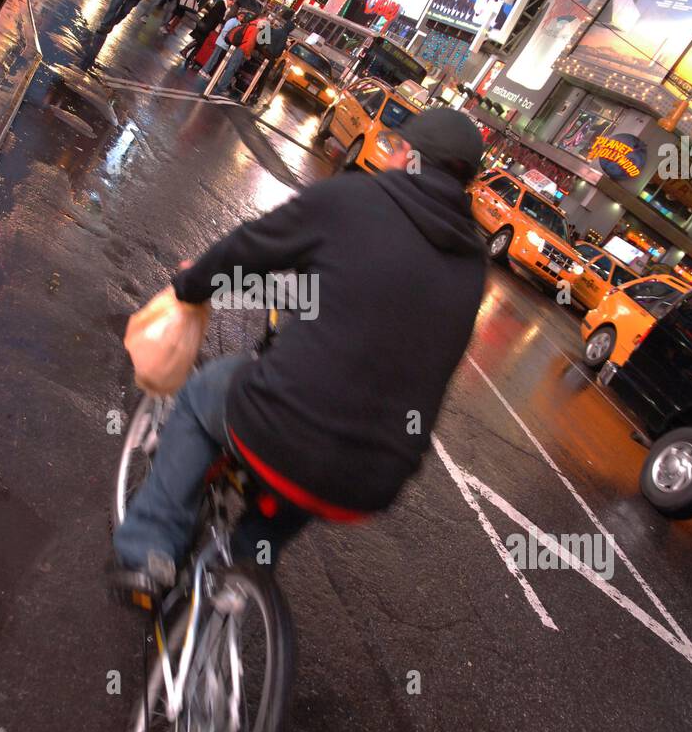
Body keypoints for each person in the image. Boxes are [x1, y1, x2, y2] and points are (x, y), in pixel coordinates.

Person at [108, 109, 487, 597]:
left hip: (287, 423)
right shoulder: (473, 265)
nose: (389, 155)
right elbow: (366, 294)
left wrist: (193, 284)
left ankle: (148, 549)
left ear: (410, 157)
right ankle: (240, 578)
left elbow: (251, 248)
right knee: (301, 484)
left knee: (205, 394)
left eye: (395, 147)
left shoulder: (356, 198)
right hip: (374, 477)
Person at [213, 10, 266, 95]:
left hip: (238, 47)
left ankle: (216, 80)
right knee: (232, 68)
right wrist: (248, 55)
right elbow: (250, 43)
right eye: (265, 21)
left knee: (228, 66)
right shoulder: (255, 28)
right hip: (242, 50)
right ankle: (221, 88)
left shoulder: (250, 23)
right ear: (260, 20)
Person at [182, 0, 233, 66]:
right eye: (232, 2)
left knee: (200, 43)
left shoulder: (224, 6)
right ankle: (187, 52)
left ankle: (189, 56)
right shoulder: (221, 4)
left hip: (208, 26)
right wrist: (222, 21)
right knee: (200, 41)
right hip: (207, 26)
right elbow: (215, 16)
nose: (232, 4)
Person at [200, 4, 243, 78]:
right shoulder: (233, 21)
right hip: (222, 42)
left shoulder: (238, 23)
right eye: (241, 16)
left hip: (225, 44)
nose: (242, 18)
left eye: (243, 17)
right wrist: (225, 39)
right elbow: (225, 30)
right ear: (238, 15)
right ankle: (204, 70)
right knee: (214, 57)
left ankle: (206, 70)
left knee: (215, 58)